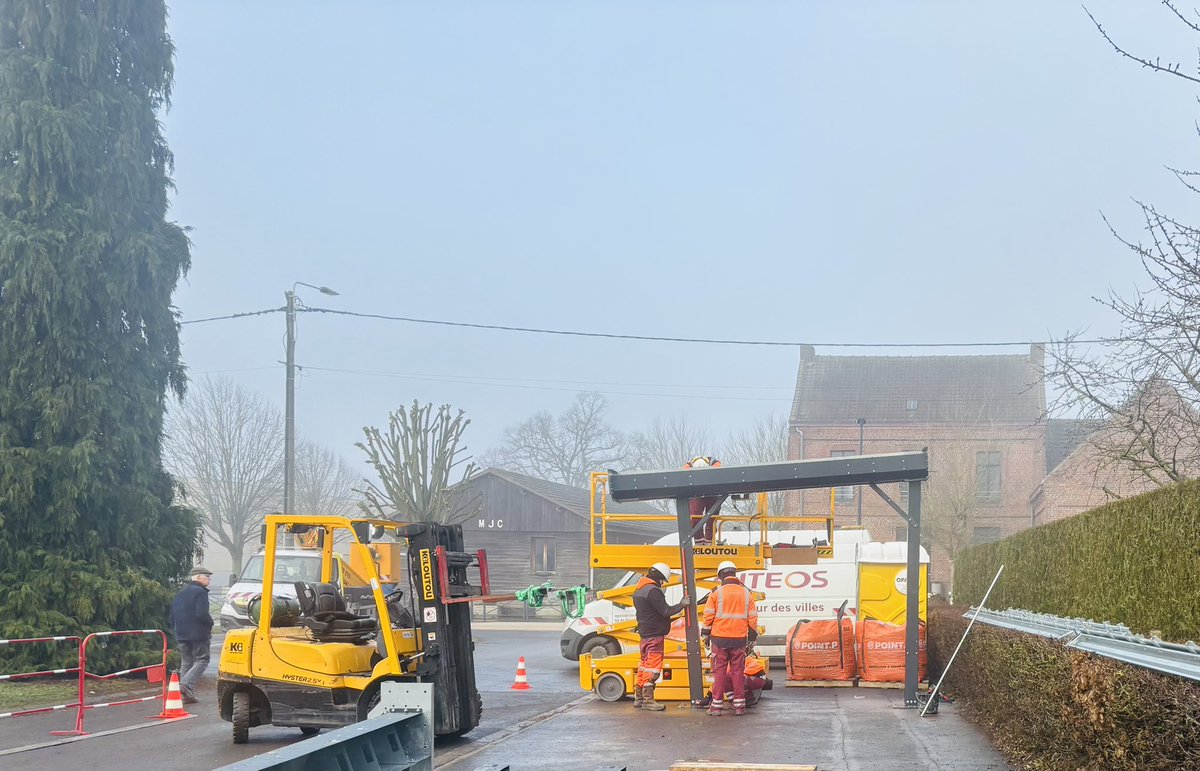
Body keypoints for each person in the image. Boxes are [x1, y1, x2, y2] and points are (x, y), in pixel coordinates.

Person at [702, 560, 758, 716]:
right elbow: (752, 618)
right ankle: (739, 706)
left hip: (719, 639)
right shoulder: (747, 594)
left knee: (719, 672)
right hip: (739, 639)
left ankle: (716, 707)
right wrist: (751, 636)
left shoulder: (716, 593)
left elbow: (708, 616)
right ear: (734, 574)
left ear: (720, 576)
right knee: (738, 672)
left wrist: (705, 633)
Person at [631, 562, 690, 711]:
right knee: (653, 668)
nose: (662, 584)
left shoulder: (639, 589)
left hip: (645, 634)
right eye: (662, 580)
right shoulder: (653, 590)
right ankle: (648, 700)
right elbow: (665, 611)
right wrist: (682, 605)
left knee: (644, 666)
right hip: (655, 635)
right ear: (659, 577)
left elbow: (652, 612)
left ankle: (639, 698)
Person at [169, 565, 214, 704]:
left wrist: (176, 630)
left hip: (181, 633)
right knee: (202, 660)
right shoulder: (200, 592)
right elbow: (202, 614)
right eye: (207, 577)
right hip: (198, 634)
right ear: (199, 577)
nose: (209, 580)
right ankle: (186, 685)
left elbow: (171, 616)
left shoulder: (181, 592)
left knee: (186, 662)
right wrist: (210, 623)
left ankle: (185, 695)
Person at [684, 456, 722, 545]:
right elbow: (682, 473)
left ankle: (709, 541)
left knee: (712, 519)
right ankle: (699, 541)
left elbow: (720, 470)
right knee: (694, 517)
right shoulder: (689, 464)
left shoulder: (714, 463)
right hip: (697, 492)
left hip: (713, 492)